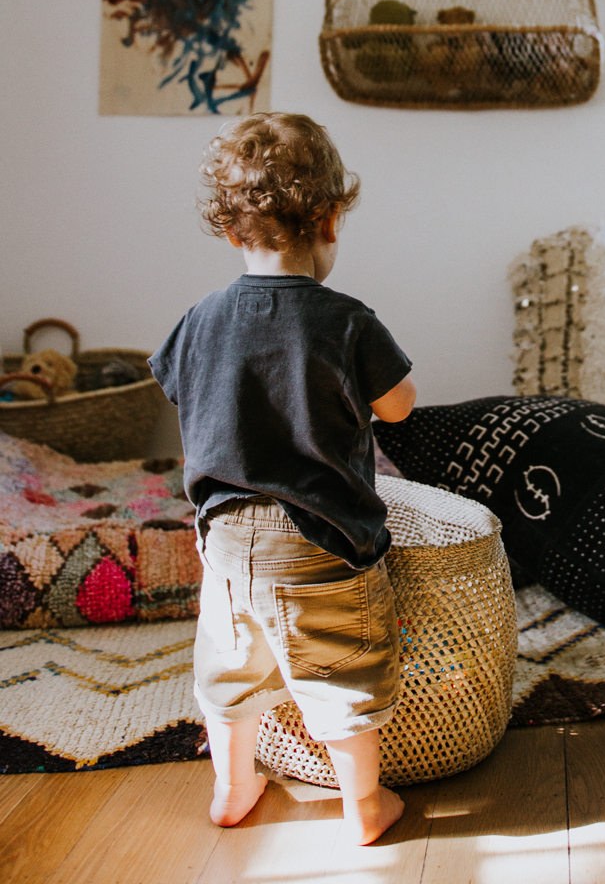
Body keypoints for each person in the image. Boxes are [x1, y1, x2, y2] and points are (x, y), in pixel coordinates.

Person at [149, 113, 415, 842]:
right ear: (330, 220)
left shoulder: (199, 319)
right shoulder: (347, 320)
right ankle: (364, 805)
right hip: (323, 540)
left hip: (228, 545)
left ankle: (234, 788)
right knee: (343, 680)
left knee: (230, 678)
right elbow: (399, 405)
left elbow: (179, 387)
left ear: (233, 233)